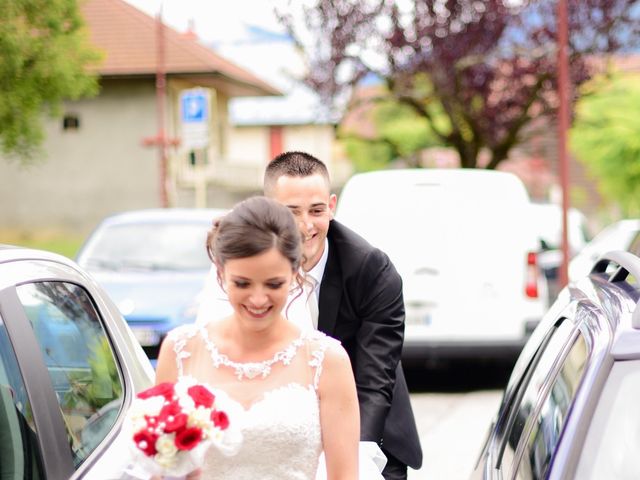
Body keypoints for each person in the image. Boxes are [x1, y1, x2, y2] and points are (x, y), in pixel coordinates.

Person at [197, 152, 422, 480]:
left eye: (317, 211)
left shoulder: (372, 270)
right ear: (270, 208)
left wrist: (354, 462)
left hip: (369, 431)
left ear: (332, 205)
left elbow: (374, 381)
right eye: (292, 212)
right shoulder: (243, 271)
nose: (305, 226)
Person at [155, 196, 360, 479]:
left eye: (274, 284)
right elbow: (163, 469)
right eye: (242, 283)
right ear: (221, 273)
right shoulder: (180, 350)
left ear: (294, 273)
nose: (258, 299)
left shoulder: (327, 361)